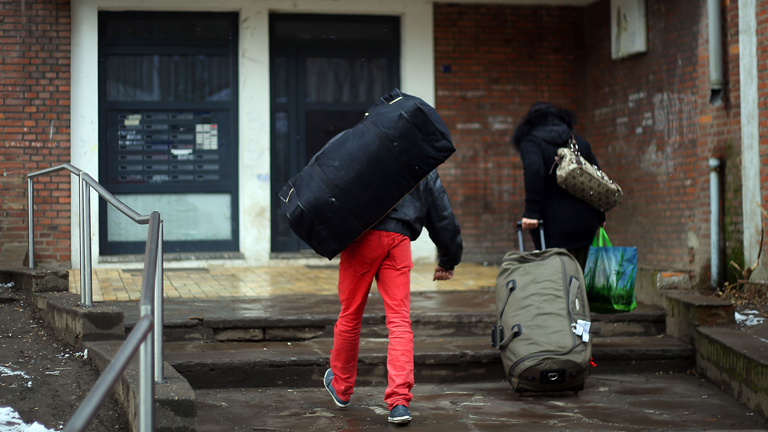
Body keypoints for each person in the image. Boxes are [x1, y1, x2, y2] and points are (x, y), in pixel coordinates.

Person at [323, 169, 462, 424]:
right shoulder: (421, 159)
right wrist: (449, 258)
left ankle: (341, 388)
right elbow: (442, 213)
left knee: (351, 315)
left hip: (361, 239)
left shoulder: (363, 152)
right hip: (399, 240)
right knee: (399, 322)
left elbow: (332, 190)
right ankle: (399, 402)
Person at [511, 102, 605, 269]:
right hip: (586, 222)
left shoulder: (531, 142)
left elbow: (534, 170)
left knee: (554, 279)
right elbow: (598, 178)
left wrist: (531, 212)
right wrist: (601, 214)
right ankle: (577, 296)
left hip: (551, 225)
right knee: (578, 276)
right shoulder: (579, 142)